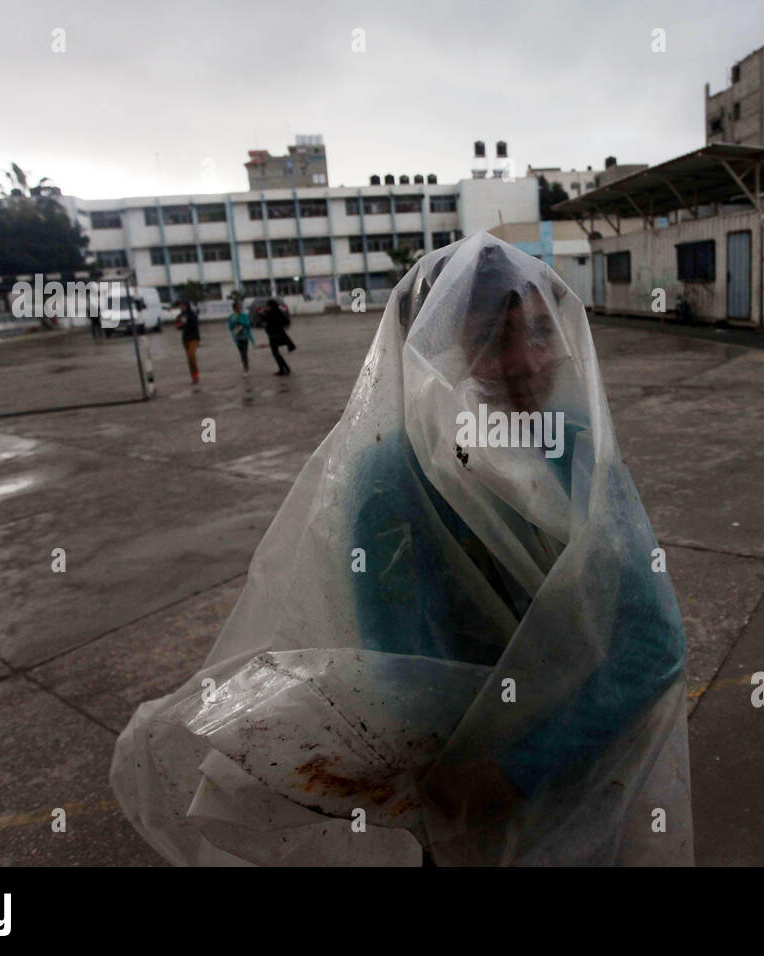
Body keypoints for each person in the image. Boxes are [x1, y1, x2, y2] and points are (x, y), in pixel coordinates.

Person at [111, 234, 692, 867]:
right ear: (433, 353)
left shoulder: (582, 456)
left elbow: (653, 641)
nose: (525, 361)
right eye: (490, 338)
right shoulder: (392, 483)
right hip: (458, 794)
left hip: (569, 776)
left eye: (540, 333)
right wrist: (475, 778)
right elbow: (401, 676)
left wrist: (518, 768)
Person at [261, 297, 295, 375]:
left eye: (267, 306)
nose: (266, 307)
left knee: (275, 353)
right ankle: (284, 368)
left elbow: (268, 320)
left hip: (275, 336)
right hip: (275, 335)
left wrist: (262, 315)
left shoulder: (272, 313)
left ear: (271, 306)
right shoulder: (277, 312)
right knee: (276, 353)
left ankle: (283, 369)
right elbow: (286, 321)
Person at [175, 300, 201, 384]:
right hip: (185, 339)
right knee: (189, 359)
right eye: (181, 306)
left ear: (187, 306)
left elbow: (193, 324)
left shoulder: (192, 315)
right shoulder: (180, 316)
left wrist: (185, 324)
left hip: (194, 338)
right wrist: (179, 324)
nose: (182, 307)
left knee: (191, 355)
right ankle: (194, 376)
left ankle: (196, 375)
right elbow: (178, 326)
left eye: (183, 306)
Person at [227, 300, 255, 372]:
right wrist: (234, 322)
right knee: (241, 353)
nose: (239, 309)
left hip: (245, 337)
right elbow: (230, 328)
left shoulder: (244, 315)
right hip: (237, 338)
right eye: (237, 308)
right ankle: (245, 364)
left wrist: (241, 322)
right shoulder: (231, 317)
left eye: (240, 308)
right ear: (234, 309)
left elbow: (248, 325)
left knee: (244, 353)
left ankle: (245, 367)